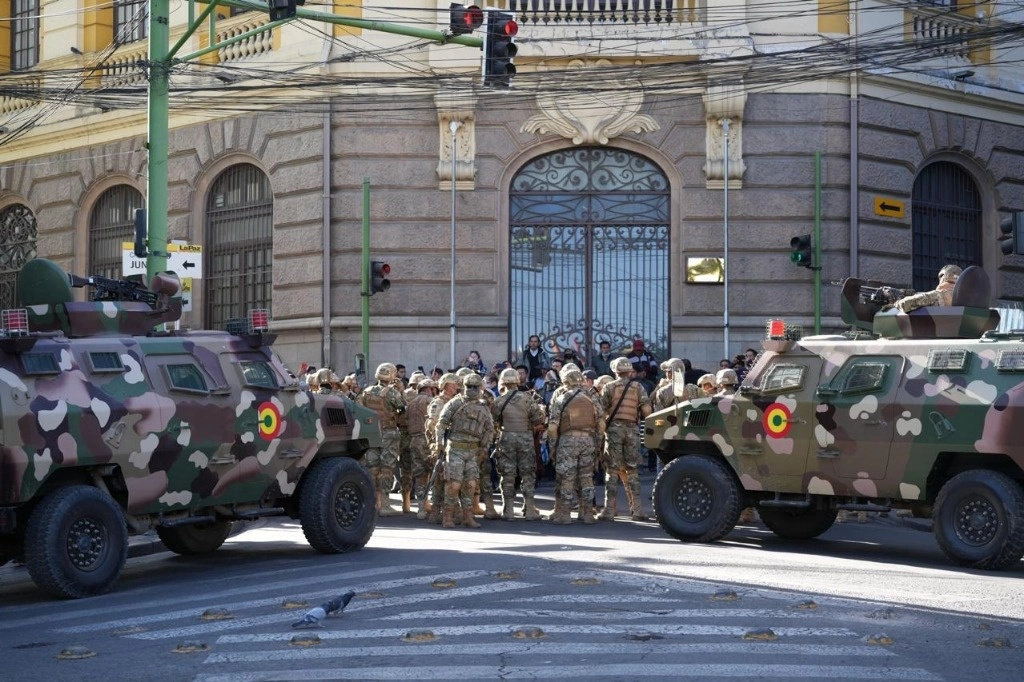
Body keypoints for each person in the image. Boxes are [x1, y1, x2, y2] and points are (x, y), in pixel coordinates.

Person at [434, 373, 495, 529]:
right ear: (464, 387)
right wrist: (439, 444)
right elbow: (441, 424)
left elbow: (490, 428)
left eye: (475, 387)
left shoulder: (483, 407)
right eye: (469, 386)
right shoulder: (455, 403)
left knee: (470, 484)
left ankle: (468, 517)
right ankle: (447, 517)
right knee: (454, 484)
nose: (472, 389)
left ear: (480, 388)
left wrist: (485, 447)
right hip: (455, 448)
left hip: (473, 451)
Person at [546, 363, 605, 524]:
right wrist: (598, 443)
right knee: (586, 478)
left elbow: (552, 427)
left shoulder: (562, 398)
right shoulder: (592, 398)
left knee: (567, 477)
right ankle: (587, 514)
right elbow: (601, 423)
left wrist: (553, 446)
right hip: (588, 440)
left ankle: (564, 515)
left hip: (567, 441)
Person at [599, 357, 653, 521]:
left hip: (614, 431)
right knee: (632, 470)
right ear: (630, 371)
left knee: (612, 471)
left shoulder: (609, 387)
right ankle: (637, 510)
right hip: (632, 431)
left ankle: (609, 510)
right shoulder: (638, 387)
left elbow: (601, 411)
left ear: (615, 371)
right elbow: (647, 411)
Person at [492, 367, 547, 521]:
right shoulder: (527, 398)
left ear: (503, 382)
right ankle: (529, 510)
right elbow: (538, 419)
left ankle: (508, 511)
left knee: (507, 475)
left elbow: (494, 420)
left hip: (506, 438)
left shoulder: (499, 400)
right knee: (527, 474)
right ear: (517, 381)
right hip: (525, 438)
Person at [355, 363, 407, 517]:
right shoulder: (392, 393)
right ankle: (384, 504)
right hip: (388, 433)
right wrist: (401, 390)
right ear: (392, 375)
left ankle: (371, 502)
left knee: (372, 468)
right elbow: (404, 408)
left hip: (372, 433)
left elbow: (359, 409)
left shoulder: (366, 391)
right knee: (386, 468)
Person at [422, 372, 462, 522]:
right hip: (441, 446)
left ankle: (445, 512)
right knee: (440, 480)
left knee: (448, 478)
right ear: (446, 385)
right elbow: (432, 424)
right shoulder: (438, 402)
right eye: (453, 385)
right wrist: (439, 442)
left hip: (452, 445)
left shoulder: (455, 401)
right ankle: (438, 512)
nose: (456, 387)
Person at [405, 378, 436, 518]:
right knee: (436, 473)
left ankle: (421, 509)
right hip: (427, 441)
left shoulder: (411, 404)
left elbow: (406, 420)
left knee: (419, 476)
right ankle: (436, 508)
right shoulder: (431, 401)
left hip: (413, 440)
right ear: (429, 389)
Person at [893, 264, 962, 313]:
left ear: (943, 276)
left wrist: (896, 303)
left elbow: (906, 304)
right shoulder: (962, 296)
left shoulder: (939, 295)